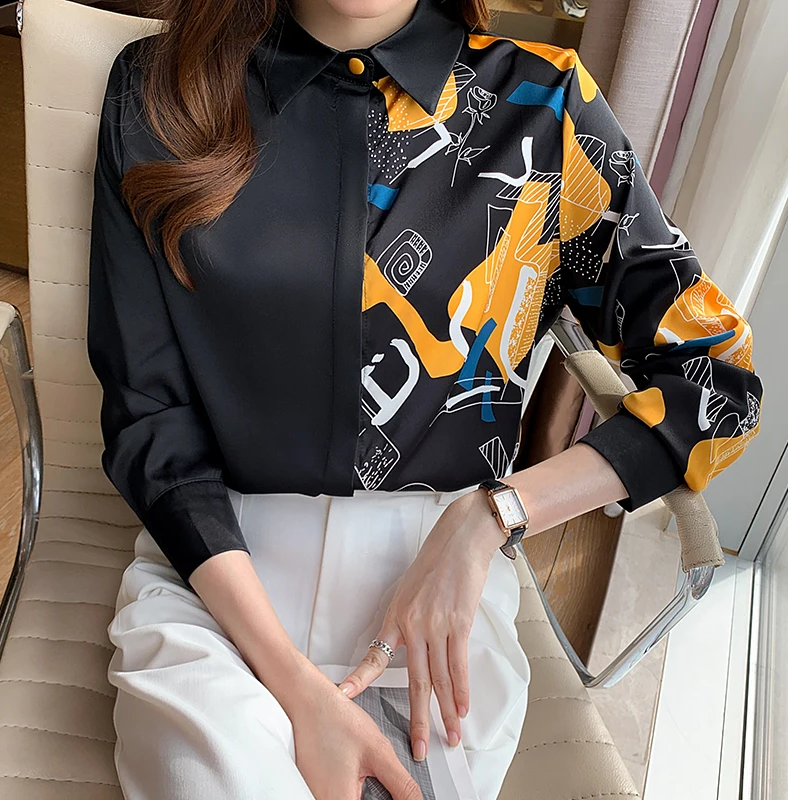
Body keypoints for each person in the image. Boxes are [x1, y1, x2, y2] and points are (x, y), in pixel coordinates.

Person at [86, 0, 763, 797]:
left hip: (439, 597)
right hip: (217, 584)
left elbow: (718, 382)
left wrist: (496, 514)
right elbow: (150, 418)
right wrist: (296, 690)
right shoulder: (161, 92)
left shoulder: (544, 109)